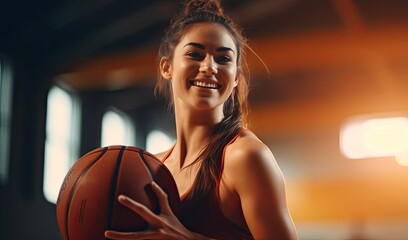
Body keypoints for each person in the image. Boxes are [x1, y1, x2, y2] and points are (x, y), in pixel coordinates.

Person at [104, 0, 298, 239]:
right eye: (195, 54)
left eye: (223, 59)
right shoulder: (152, 168)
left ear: (236, 77)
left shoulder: (245, 157)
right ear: (167, 67)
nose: (210, 67)